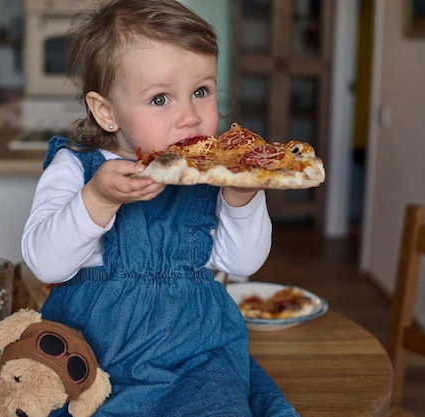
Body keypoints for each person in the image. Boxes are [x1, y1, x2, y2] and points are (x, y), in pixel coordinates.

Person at [21, 1, 299, 416]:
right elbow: (46, 265)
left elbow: (243, 262)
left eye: (201, 92)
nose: (189, 116)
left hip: (197, 355)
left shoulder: (210, 172)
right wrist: (97, 200)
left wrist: (243, 199)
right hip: (98, 358)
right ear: (107, 112)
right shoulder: (76, 167)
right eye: (160, 98)